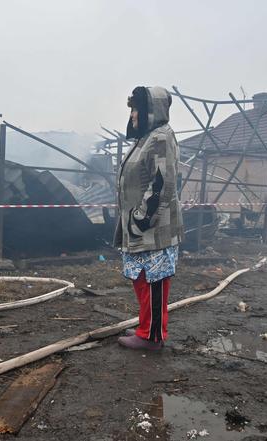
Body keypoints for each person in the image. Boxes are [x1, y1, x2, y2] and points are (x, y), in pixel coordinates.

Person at [114, 86, 184, 351]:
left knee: (154, 280)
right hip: (140, 224)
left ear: (150, 111)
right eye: (132, 109)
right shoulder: (147, 138)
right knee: (142, 278)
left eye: (136, 109)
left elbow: (161, 184)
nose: (132, 115)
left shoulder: (161, 138)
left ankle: (152, 336)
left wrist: (141, 218)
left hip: (153, 226)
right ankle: (147, 325)